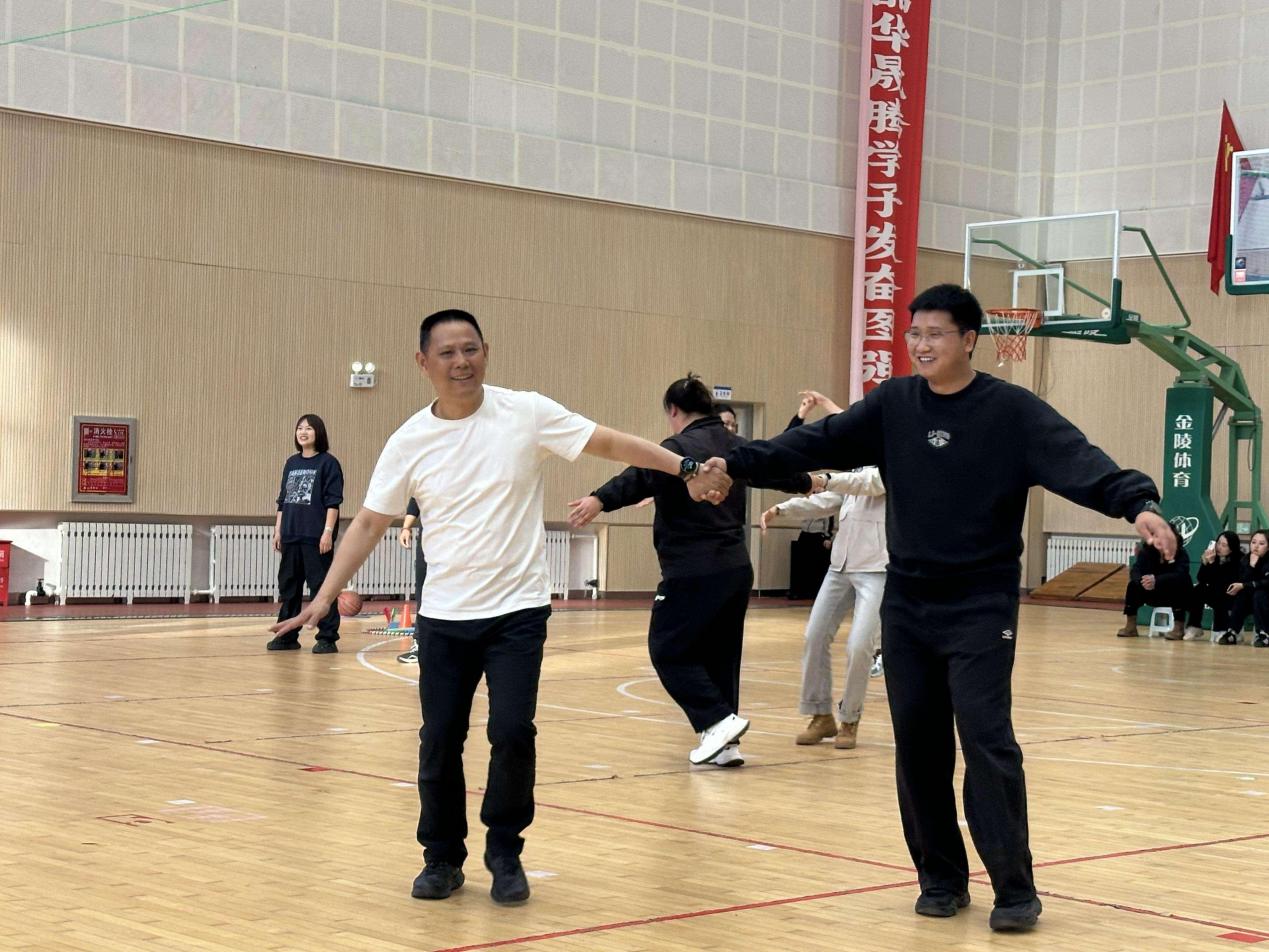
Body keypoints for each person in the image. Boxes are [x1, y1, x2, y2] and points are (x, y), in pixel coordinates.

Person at [700, 284, 1172, 933]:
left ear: (969, 339)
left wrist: (1137, 504)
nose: (921, 345)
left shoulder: (1010, 411)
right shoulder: (893, 404)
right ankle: (940, 878)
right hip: (908, 601)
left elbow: (1079, 460)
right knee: (919, 746)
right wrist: (733, 462)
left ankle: (1013, 889)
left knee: (986, 739)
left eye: (935, 334)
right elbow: (813, 443)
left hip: (980, 602)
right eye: (914, 333)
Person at [270, 308, 729, 907]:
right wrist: (323, 598)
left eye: (471, 349)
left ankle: (505, 851)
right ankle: (441, 858)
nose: (461, 362)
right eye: (447, 353)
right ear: (423, 363)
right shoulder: (409, 439)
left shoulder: (526, 412)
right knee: (440, 739)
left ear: (485, 351)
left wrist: (685, 466)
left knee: (512, 733)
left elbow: (611, 441)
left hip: (518, 612)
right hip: (444, 617)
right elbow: (369, 523)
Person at [568, 375, 813, 767]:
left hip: (692, 569)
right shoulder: (736, 445)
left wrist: (599, 499)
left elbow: (640, 475)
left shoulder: (678, 448)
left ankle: (716, 721)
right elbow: (773, 468)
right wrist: (808, 483)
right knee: (721, 657)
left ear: (673, 410)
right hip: (736, 567)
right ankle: (725, 745)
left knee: (667, 649)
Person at [760, 467, 886, 750]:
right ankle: (820, 715)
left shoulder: (888, 466)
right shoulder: (853, 472)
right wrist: (781, 509)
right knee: (814, 636)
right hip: (840, 567)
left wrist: (824, 479)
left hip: (877, 569)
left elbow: (866, 483)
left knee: (859, 646)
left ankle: (850, 718)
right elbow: (825, 500)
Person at [267, 414, 344, 654]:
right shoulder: (291, 463)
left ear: (318, 433)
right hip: (291, 535)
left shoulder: (328, 463)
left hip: (315, 537)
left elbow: (333, 502)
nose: (303, 432)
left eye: (308, 428)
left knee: (321, 587)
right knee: (289, 587)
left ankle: (327, 637)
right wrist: (278, 530)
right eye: (300, 428)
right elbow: (283, 501)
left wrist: (327, 533)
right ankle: (287, 635)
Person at [1114, 521, 1191, 640]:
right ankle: (1131, 626)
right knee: (1133, 585)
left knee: (1182, 582)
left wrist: (1156, 580)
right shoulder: (1146, 551)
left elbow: (1180, 574)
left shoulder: (1180, 553)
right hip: (1151, 591)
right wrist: (1143, 581)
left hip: (1171, 593)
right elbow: (1136, 569)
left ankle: (1179, 627)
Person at [1185, 531, 1242, 640]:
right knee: (1199, 589)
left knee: (1219, 592)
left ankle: (1222, 629)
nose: (1219, 547)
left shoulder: (1239, 560)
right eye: (1218, 543)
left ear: (1231, 548)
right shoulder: (1213, 556)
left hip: (1232, 595)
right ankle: (1194, 626)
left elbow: (1224, 583)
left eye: (1224, 545)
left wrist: (1211, 564)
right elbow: (1201, 579)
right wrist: (1205, 563)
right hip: (1216, 593)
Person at [1221, 529, 1269, 646]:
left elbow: (1266, 582)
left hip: (1265, 598)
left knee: (1259, 594)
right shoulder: (1245, 559)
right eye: (1253, 542)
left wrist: (1245, 584)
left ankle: (1265, 634)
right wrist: (1251, 566)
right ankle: (1232, 631)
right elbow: (1243, 580)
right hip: (1252, 600)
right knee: (1242, 594)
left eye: (1261, 544)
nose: (1256, 546)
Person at [396, 497, 428, 664]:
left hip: (458, 545)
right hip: (428, 544)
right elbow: (416, 500)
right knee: (423, 591)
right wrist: (406, 528)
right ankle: (419, 644)